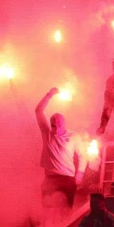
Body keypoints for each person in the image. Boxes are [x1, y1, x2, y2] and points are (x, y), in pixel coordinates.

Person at [34, 87, 86, 218]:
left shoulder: (74, 136)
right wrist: (49, 95)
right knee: (47, 211)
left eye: (58, 125)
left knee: (65, 213)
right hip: (50, 179)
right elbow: (38, 111)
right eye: (53, 125)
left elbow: (82, 156)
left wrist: (79, 174)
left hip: (67, 179)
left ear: (64, 124)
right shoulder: (47, 133)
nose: (56, 128)